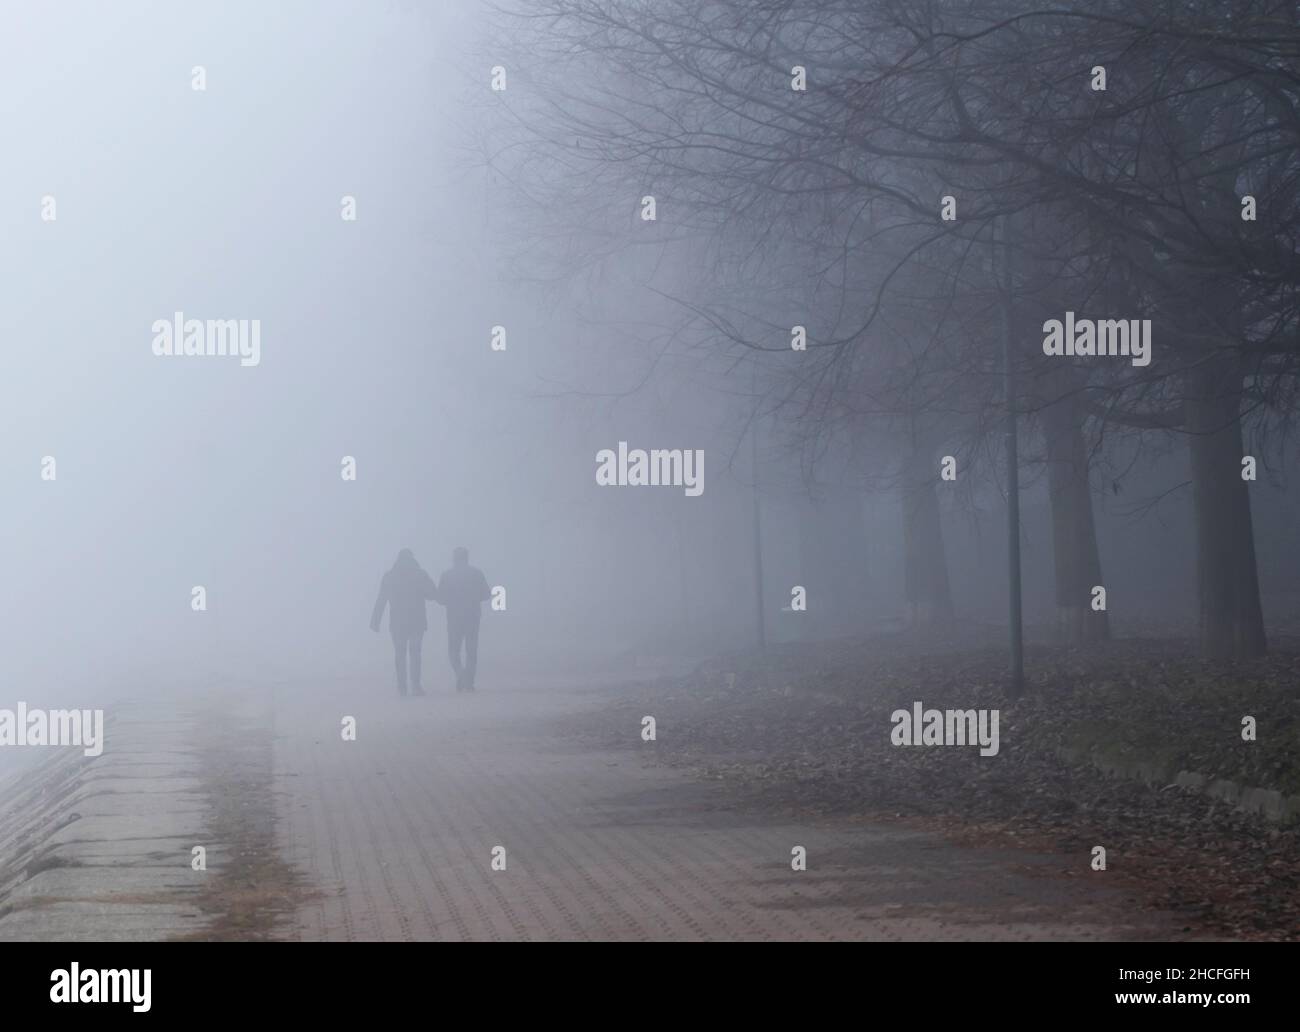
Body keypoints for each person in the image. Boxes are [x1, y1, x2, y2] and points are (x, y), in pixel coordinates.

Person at [369, 549, 439, 696]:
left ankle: (402, 687)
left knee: (400, 654)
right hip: (417, 622)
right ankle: (416, 685)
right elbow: (433, 594)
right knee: (415, 653)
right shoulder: (420, 574)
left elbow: (381, 599)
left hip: (397, 623)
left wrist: (375, 621)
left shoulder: (390, 576)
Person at [436, 546, 491, 692]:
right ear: (467, 557)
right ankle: (469, 681)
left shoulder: (446, 575)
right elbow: (486, 594)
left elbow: (440, 598)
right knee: (471, 650)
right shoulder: (476, 573)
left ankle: (460, 673)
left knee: (453, 650)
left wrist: (451, 600)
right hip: (473, 616)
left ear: (454, 558)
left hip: (453, 617)